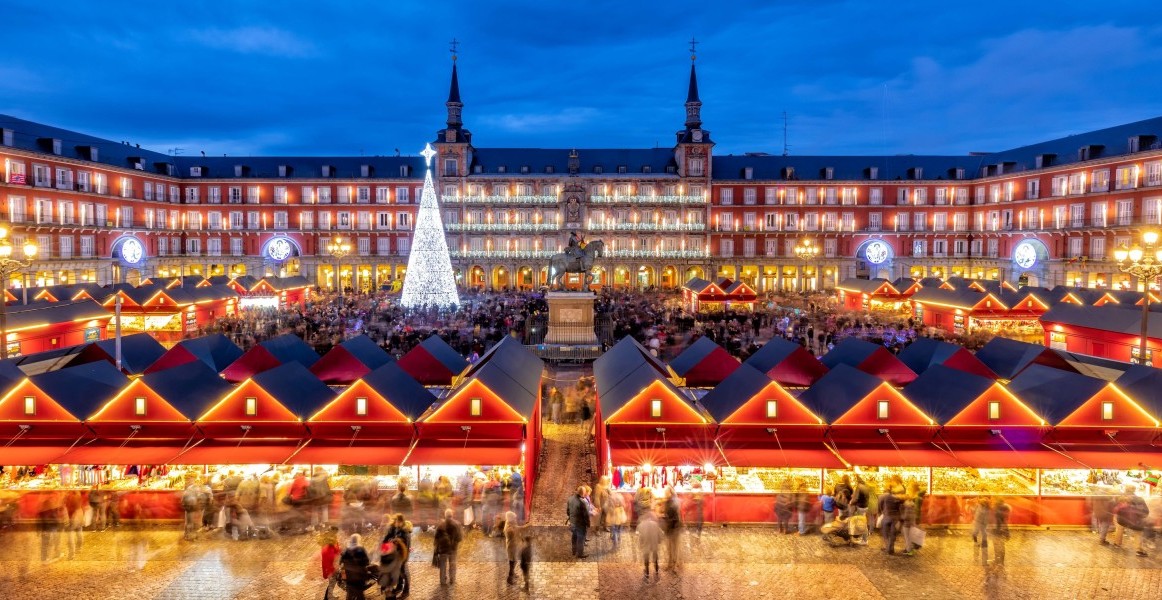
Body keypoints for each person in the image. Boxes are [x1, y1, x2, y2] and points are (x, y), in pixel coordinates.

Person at [433, 509, 463, 585]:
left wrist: (436, 549)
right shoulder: (457, 524)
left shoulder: (440, 525)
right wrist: (454, 542)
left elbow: (436, 538)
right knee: (452, 565)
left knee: (443, 566)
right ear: (452, 515)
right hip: (453, 549)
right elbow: (460, 538)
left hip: (443, 549)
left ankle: (442, 581)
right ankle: (452, 580)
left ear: (445, 515)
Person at [339, 534, 371, 600]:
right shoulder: (361, 549)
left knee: (350, 593)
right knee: (360, 594)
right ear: (358, 540)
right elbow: (367, 561)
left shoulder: (346, 550)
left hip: (349, 576)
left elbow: (340, 562)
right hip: (359, 575)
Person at [503, 510, 530, 585]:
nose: (515, 519)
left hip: (514, 546)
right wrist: (525, 527)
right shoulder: (508, 528)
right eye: (514, 518)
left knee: (514, 561)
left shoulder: (511, 524)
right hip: (511, 547)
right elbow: (516, 530)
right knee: (512, 562)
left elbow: (517, 528)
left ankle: (513, 574)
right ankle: (509, 578)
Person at [637, 509, 663, 582]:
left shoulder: (641, 525)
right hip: (654, 544)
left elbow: (640, 537)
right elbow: (660, 534)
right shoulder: (655, 524)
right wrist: (659, 541)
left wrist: (640, 544)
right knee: (655, 558)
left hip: (646, 545)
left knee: (646, 559)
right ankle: (657, 570)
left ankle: (647, 574)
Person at [566, 485, 590, 558]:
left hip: (572, 522)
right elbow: (586, 515)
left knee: (574, 536)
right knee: (581, 539)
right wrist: (588, 523)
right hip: (580, 524)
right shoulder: (583, 502)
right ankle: (580, 554)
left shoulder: (570, 499)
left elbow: (567, 511)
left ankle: (574, 550)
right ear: (583, 493)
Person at [661, 486, 682, 571]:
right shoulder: (666, 502)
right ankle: (669, 564)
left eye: (666, 492)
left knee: (675, 548)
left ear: (670, 493)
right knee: (669, 547)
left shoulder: (674, 502)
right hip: (669, 528)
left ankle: (675, 565)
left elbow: (675, 516)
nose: (665, 494)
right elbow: (666, 513)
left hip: (675, 527)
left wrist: (666, 517)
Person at [992, 497, 1011, 565]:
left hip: (997, 530)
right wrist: (1007, 533)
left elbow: (998, 521)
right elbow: (1004, 522)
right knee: (1001, 546)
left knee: (997, 545)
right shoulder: (1005, 509)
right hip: (1001, 529)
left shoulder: (997, 510)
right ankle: (1001, 561)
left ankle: (998, 560)